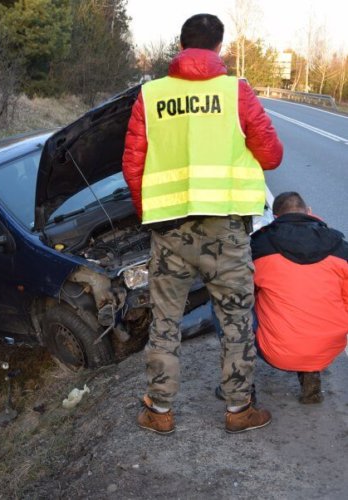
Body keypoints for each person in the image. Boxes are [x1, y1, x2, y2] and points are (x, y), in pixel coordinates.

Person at [122, 13, 283, 434]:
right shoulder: (237, 92)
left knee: (165, 320)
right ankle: (239, 410)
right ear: (218, 48)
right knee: (234, 319)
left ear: (181, 46)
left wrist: (150, 214)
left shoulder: (151, 95)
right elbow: (271, 155)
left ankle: (159, 412)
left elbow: (133, 165)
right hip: (226, 232)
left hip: (170, 230)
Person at [251, 192, 348, 403]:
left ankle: (240, 387)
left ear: (275, 218)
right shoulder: (341, 248)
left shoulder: (259, 247)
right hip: (329, 347)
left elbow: (245, 294)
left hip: (275, 351)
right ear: (310, 212)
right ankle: (311, 372)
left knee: (227, 303)